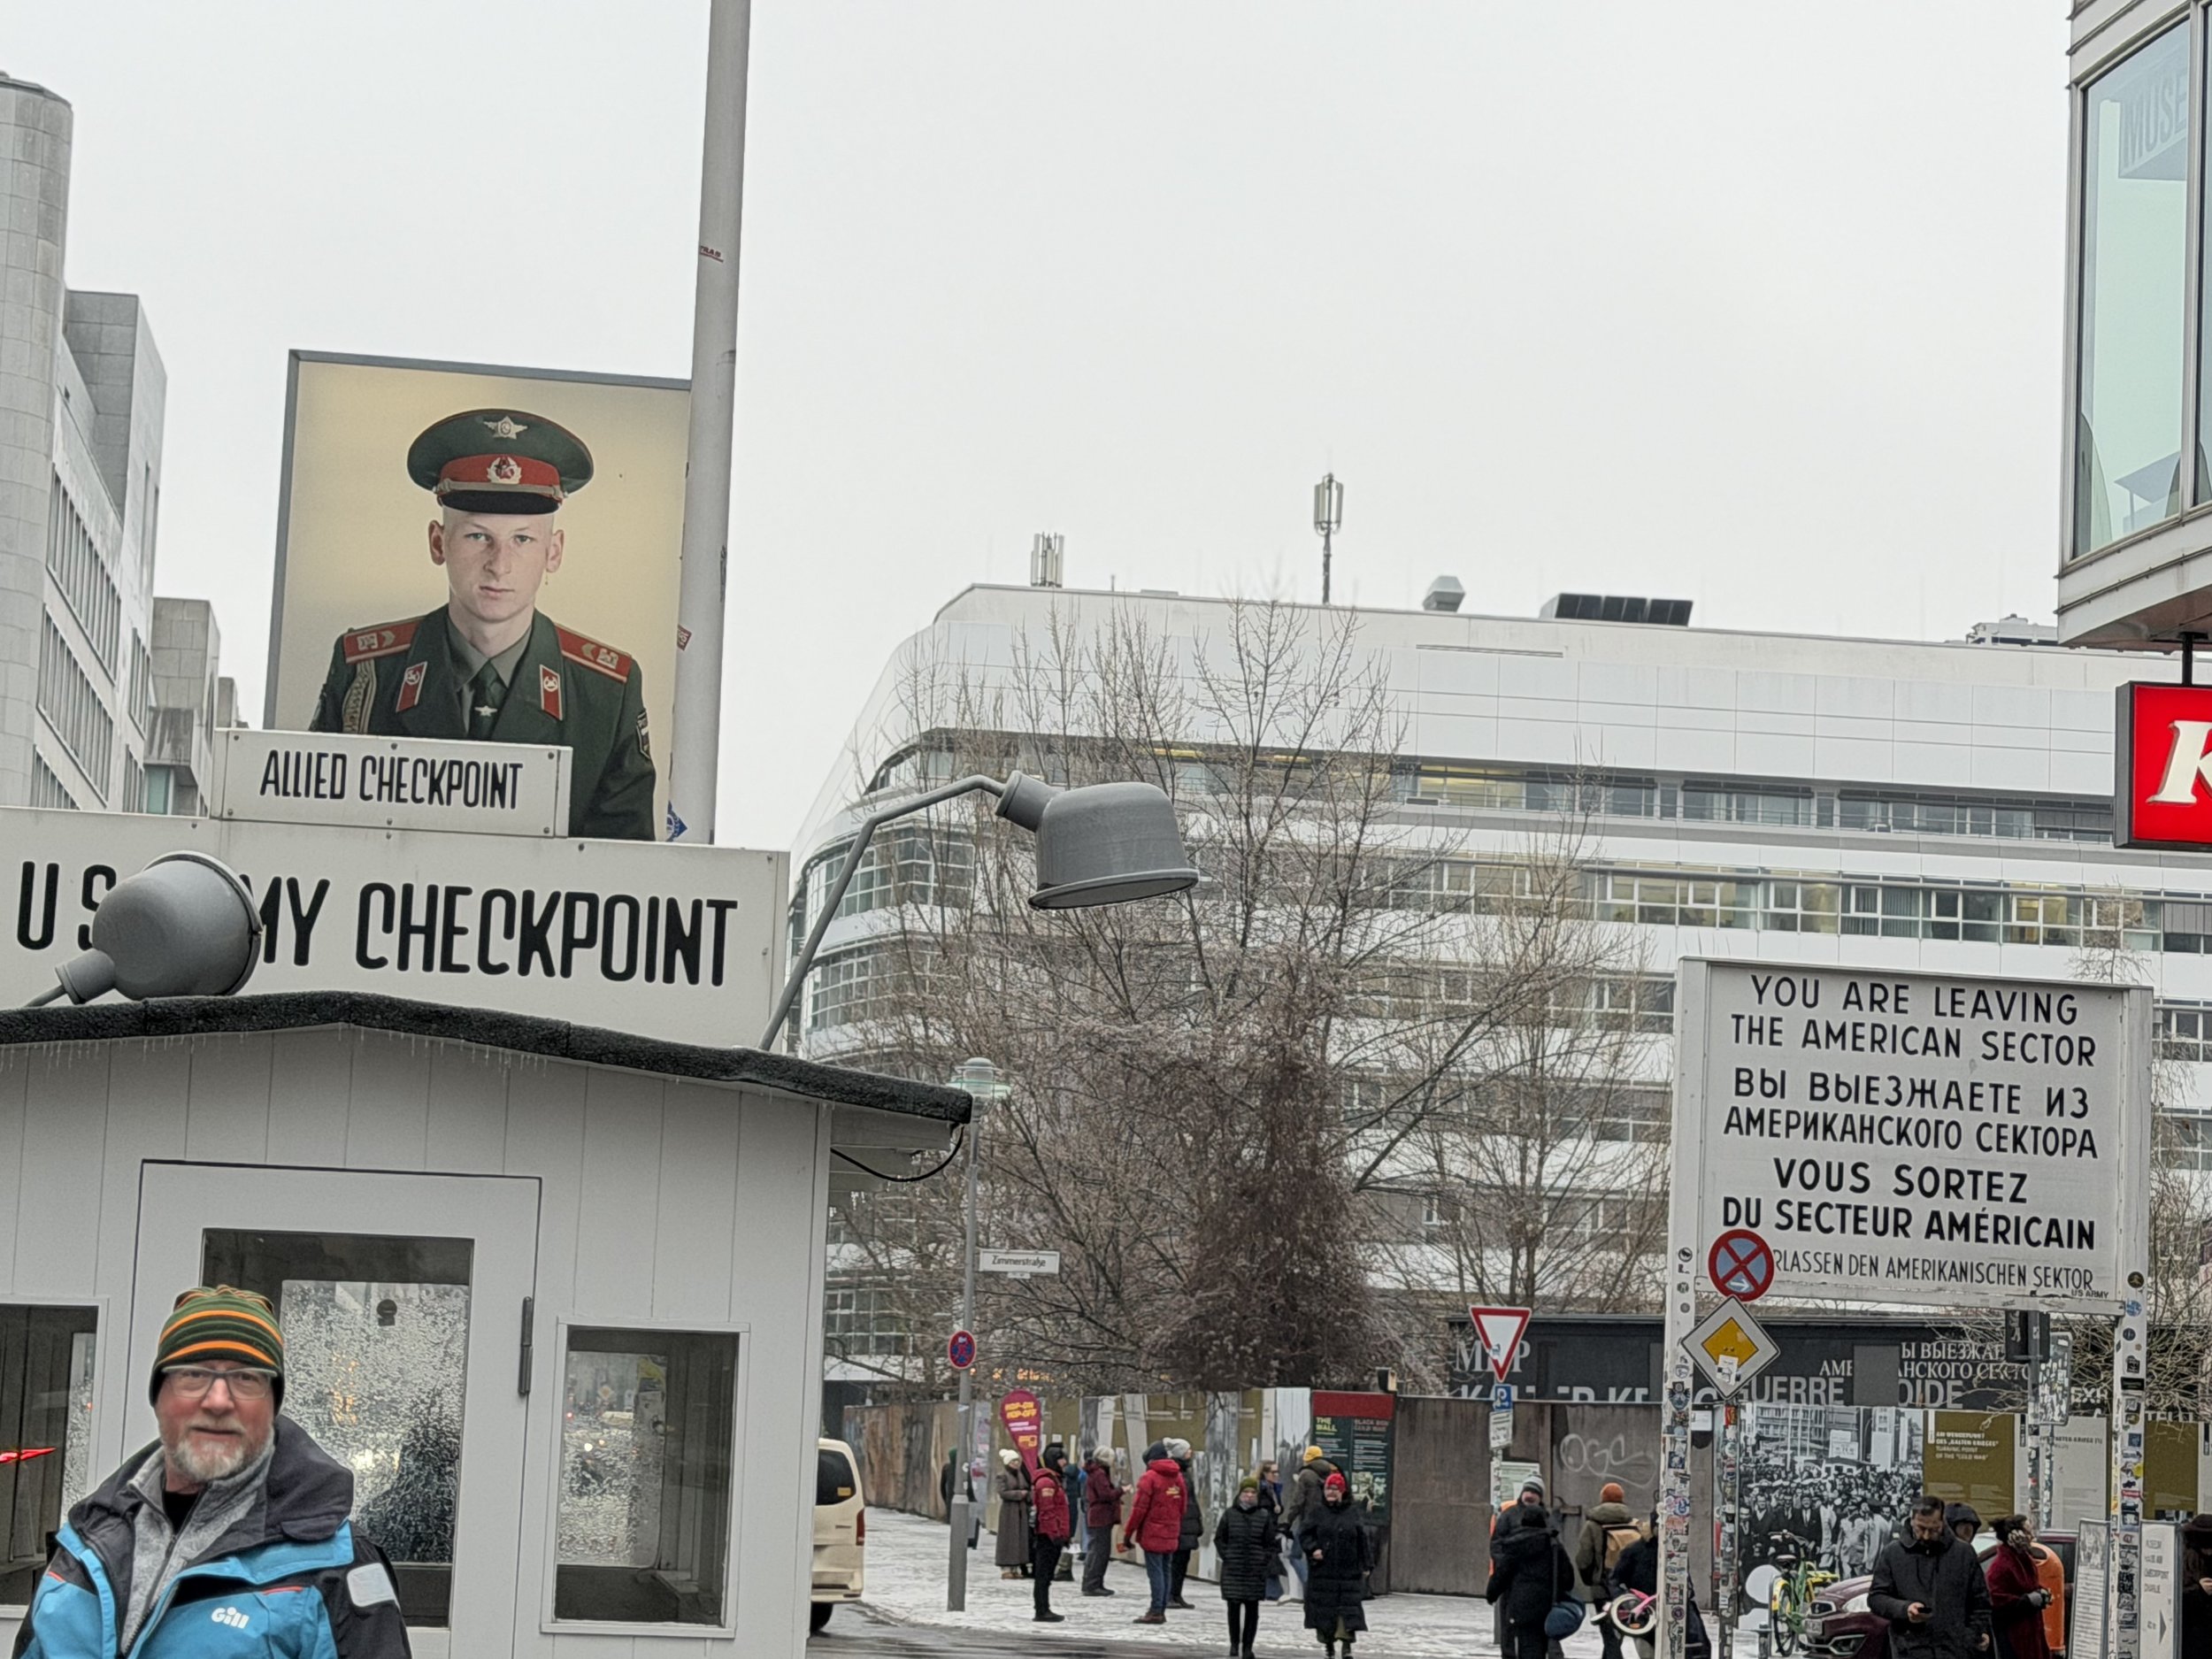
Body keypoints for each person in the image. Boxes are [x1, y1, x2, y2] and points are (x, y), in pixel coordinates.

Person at [309, 408, 657, 841]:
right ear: (438, 543)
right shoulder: (368, 673)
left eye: (522, 540)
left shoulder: (605, 693)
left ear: (554, 553)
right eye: (478, 536)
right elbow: (317, 836)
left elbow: (625, 867)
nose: (499, 564)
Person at [10, 1286, 411, 1657]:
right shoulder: (83, 1544)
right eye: (193, 1374)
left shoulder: (337, 1563)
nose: (218, 1401)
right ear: (158, 1398)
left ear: (272, 1408)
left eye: (246, 1378)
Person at [1869, 1495, 1993, 1659]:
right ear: (1912, 1521)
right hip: (1910, 1650)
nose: (1926, 1536)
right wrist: (1905, 1609)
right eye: (1921, 1528)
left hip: (1956, 1651)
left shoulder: (1963, 1553)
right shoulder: (1893, 1553)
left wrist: (1972, 1636)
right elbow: (1876, 1598)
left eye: (1933, 1530)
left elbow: (1980, 1601)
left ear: (1942, 1522)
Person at [1488, 1489, 1575, 1659]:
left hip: (1520, 1605)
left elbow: (1502, 1573)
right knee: (1540, 1646)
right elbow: (1567, 1577)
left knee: (1523, 1645)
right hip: (1546, 1605)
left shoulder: (1515, 1545)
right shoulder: (1553, 1546)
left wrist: (1491, 1593)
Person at [1300, 1471, 1372, 1657]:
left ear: (1342, 1492)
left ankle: (1346, 1647)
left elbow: (1362, 1539)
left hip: (1348, 1573)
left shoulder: (1352, 1513)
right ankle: (1329, 1646)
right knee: (1325, 1613)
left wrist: (1366, 1564)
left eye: (1335, 1489)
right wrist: (1313, 1549)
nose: (1330, 1493)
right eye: (1328, 1489)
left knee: (1347, 1612)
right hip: (1323, 1572)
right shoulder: (1317, 1512)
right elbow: (1305, 1534)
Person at [1577, 1481, 1645, 1659]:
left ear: (1602, 1499)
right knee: (1618, 1631)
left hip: (1603, 1587)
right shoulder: (1634, 1524)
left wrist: (1590, 1580)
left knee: (1609, 1633)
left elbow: (1584, 1558)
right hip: (1627, 1588)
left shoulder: (1592, 1526)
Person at [1122, 1445, 1188, 1625]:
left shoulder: (1149, 1477)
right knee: (1166, 1570)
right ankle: (1161, 1608)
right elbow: (1182, 1506)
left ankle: (1156, 1610)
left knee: (1156, 1572)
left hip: (1153, 1532)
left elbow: (1139, 1510)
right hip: (1171, 1530)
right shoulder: (1178, 1477)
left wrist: (1128, 1534)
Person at [1216, 1477, 1280, 1659]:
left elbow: (1270, 1543)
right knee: (1233, 1609)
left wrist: (1263, 1559)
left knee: (1252, 1611)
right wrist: (1227, 1555)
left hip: (1255, 1570)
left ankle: (1248, 1647)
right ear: (1240, 1494)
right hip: (1233, 1569)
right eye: (1246, 1492)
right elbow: (1220, 1539)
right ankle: (1234, 1644)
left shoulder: (1264, 1516)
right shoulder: (1229, 1515)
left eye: (1253, 1492)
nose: (1249, 1496)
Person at [1983, 1515, 2053, 1659]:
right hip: (2013, 1638)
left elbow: (2029, 1585)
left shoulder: (2025, 1560)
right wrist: (2026, 1601)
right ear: (2015, 1536)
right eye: (2027, 1532)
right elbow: (1996, 1601)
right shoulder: (2000, 1567)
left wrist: (2042, 1593)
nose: (2031, 1536)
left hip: (2032, 1633)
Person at [1283, 1447, 1339, 1591]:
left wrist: (1287, 1521)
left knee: (1294, 1555)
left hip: (1307, 1522)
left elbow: (1298, 1501)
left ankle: (1310, 1585)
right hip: (1326, 1521)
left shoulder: (1306, 1474)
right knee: (1316, 1555)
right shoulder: (1330, 1473)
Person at [1031, 1449, 1072, 1623]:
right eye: (1062, 1459)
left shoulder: (1054, 1480)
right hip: (1048, 1536)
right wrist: (1054, 1534)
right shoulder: (1046, 1482)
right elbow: (1047, 1512)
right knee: (1043, 1574)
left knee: (1046, 1574)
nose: (1065, 1463)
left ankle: (1044, 1608)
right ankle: (1042, 1610)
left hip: (1054, 1534)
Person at [1082, 1446, 1123, 1596]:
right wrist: (1121, 1491)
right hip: (1101, 1516)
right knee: (1099, 1552)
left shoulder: (1095, 1472)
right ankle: (1093, 1584)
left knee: (1097, 1551)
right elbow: (1105, 1494)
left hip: (1098, 1515)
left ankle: (1092, 1583)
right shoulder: (1099, 1474)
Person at [1171, 1438, 1204, 1610]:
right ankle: (1171, 1594)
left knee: (1182, 1562)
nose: (1191, 1453)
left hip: (1188, 1523)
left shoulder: (1184, 1472)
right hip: (1181, 1523)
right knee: (1176, 1562)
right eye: (1188, 1450)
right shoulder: (1176, 1474)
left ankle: (1177, 1594)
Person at [995, 1449, 1033, 1579]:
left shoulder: (1021, 1474)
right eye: (1013, 1461)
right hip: (1009, 1511)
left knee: (1020, 1539)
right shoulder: (1002, 1475)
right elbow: (1002, 1492)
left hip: (1021, 1511)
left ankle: (1016, 1567)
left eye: (1017, 1461)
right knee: (1008, 1539)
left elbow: (1026, 1488)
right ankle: (1006, 1568)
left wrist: (1028, 1495)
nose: (1016, 1463)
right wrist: (1018, 1494)